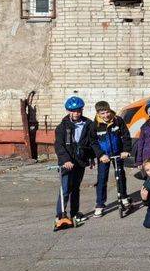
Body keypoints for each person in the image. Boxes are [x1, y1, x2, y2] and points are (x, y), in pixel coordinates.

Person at [53, 96, 93, 228]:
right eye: (73, 111)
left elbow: (91, 143)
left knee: (76, 188)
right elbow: (59, 145)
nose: (76, 113)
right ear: (68, 111)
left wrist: (91, 158)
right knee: (65, 189)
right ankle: (60, 215)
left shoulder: (88, 124)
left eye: (79, 110)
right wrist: (65, 160)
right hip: (67, 163)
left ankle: (75, 213)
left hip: (80, 161)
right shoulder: (62, 127)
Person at [90, 100, 132, 218]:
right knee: (102, 178)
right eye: (102, 113)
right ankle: (100, 204)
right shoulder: (95, 125)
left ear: (110, 110)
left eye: (107, 112)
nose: (106, 115)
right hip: (104, 156)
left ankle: (123, 197)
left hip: (118, 153)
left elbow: (126, 136)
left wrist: (126, 150)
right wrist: (100, 155)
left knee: (120, 175)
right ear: (98, 114)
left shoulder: (118, 120)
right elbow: (93, 142)